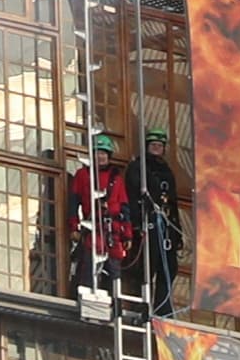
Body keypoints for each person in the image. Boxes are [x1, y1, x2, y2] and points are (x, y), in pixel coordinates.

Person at [59, 130, 132, 298]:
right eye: (97, 153)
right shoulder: (83, 175)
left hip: (113, 233)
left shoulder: (116, 179)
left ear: (108, 156)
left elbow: (124, 208)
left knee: (113, 270)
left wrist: (127, 235)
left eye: (103, 154)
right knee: (88, 265)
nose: (100, 157)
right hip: (93, 228)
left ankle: (114, 302)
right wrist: (74, 226)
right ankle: (86, 297)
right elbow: (73, 202)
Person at [127, 129, 184, 316]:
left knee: (168, 266)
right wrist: (136, 225)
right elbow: (133, 196)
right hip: (148, 222)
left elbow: (173, 203)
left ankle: (163, 308)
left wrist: (178, 234)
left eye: (159, 146)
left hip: (166, 225)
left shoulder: (167, 172)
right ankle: (140, 305)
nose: (156, 148)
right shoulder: (138, 168)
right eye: (153, 145)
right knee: (146, 265)